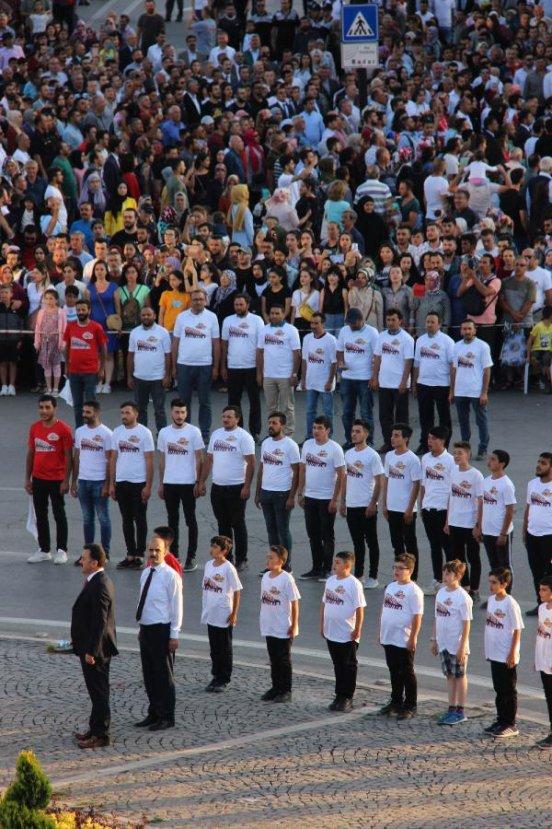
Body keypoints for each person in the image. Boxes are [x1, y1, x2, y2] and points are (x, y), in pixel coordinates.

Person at [71, 543, 118, 750]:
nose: (81, 561)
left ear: (95, 562)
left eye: (84, 558)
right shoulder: (96, 581)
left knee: (99, 692)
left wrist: (91, 650)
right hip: (89, 647)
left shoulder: (99, 585)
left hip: (96, 650)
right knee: (95, 690)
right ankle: (94, 728)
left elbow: (100, 622)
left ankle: (101, 734)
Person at [198, 405, 255, 571]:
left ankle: (242, 558)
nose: (225, 419)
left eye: (229, 417)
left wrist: (246, 486)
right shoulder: (216, 434)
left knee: (237, 523)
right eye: (224, 416)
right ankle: (226, 556)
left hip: (236, 487)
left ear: (237, 419)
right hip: (218, 487)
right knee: (222, 524)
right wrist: (201, 481)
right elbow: (209, 460)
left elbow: (251, 463)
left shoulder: (244, 437)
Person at [135, 534, 183, 731]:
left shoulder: (171, 576)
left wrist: (174, 634)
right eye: (151, 550)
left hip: (162, 629)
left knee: (163, 675)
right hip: (147, 628)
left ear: (165, 552)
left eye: (158, 550)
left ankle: (166, 716)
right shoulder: (146, 573)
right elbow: (143, 601)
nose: (153, 554)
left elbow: (177, 606)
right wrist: (141, 627)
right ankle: (153, 712)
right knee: (149, 674)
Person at [157, 399, 204, 571]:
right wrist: (161, 483)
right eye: (177, 412)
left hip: (188, 483)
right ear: (171, 413)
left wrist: (198, 482)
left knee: (190, 520)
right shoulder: (164, 433)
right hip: (170, 483)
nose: (180, 415)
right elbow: (161, 460)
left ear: (187, 413)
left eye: (183, 412)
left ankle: (191, 557)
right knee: (172, 521)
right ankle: (173, 555)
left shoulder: (194, 432)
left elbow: (200, 458)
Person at [25, 394, 73, 565]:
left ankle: (61, 550)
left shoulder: (64, 430)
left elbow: (69, 457)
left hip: (57, 479)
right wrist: (27, 479)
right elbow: (31, 454)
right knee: (40, 515)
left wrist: (66, 480)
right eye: (41, 408)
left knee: (59, 514)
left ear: (55, 409)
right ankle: (44, 550)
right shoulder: (34, 428)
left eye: (47, 408)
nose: (43, 411)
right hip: (38, 479)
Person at [297, 415, 345, 581]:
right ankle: (316, 568)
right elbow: (302, 469)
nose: (316, 431)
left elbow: (341, 475)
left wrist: (335, 499)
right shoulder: (308, 445)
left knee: (327, 535)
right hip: (310, 497)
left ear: (328, 430)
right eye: (314, 428)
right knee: (313, 534)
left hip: (326, 498)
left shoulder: (335, 448)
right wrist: (300, 491)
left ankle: (327, 569)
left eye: (320, 428)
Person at [109, 401, 155, 570]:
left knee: (140, 519)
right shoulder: (117, 432)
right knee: (126, 519)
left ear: (136, 414)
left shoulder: (144, 433)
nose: (124, 416)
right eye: (122, 413)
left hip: (139, 482)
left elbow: (150, 460)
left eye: (127, 413)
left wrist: (148, 486)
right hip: (122, 482)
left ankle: (139, 554)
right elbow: (113, 458)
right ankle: (129, 553)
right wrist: (112, 484)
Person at [172, 288, 220, 445]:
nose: (198, 301)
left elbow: (216, 343)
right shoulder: (181, 317)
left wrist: (215, 367)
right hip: (184, 365)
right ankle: (186, 432)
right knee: (183, 402)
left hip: (204, 365)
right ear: (190, 300)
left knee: (204, 401)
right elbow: (176, 342)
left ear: (205, 300)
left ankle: (204, 434)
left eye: (201, 299)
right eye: (195, 299)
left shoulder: (212, 317)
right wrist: (174, 366)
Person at [379, 554, 424, 720]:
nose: (396, 571)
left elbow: (417, 616)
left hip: (403, 637)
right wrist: (381, 631)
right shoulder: (390, 587)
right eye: (395, 567)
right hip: (388, 635)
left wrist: (413, 637)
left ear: (410, 571)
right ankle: (396, 701)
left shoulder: (414, 591)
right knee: (393, 670)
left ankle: (411, 704)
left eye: (400, 568)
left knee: (406, 671)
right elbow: (385, 610)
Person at [320, 550, 366, 714]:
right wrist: (322, 624)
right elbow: (325, 604)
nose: (334, 565)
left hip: (347, 632)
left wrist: (357, 628)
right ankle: (338, 695)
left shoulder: (354, 584)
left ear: (347, 565)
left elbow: (359, 608)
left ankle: (347, 697)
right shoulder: (331, 581)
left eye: (338, 562)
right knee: (337, 664)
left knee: (348, 665)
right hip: (332, 631)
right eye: (334, 562)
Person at [340, 419, 383, 589]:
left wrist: (373, 503)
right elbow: (345, 479)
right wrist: (343, 501)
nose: (354, 434)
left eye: (358, 431)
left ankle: (373, 576)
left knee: (371, 541)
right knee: (357, 542)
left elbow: (379, 482)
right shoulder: (348, 454)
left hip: (367, 505)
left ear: (366, 434)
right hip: (352, 504)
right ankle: (359, 574)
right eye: (353, 431)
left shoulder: (372, 455)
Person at [255, 412, 300, 572]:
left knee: (283, 529)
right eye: (269, 422)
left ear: (282, 425)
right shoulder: (266, 443)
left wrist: (292, 496)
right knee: (271, 530)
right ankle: (274, 563)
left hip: (282, 494)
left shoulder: (290, 445)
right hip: (266, 492)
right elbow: (262, 468)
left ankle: (287, 565)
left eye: (274, 423)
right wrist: (257, 492)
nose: (270, 426)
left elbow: (297, 471)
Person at [431, 559, 472, 727]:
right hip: (444, 642)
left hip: (457, 644)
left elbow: (466, 623)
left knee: (460, 675)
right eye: (444, 573)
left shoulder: (463, 597)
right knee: (449, 675)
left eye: (448, 573)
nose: (445, 576)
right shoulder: (441, 593)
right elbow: (437, 617)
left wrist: (462, 646)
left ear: (458, 576)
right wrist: (434, 639)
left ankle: (460, 710)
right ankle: (451, 707)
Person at [483, 568, 524, 739]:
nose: (491, 585)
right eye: (490, 581)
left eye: (494, 582)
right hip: (494, 652)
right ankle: (500, 720)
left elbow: (517, 630)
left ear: (504, 584)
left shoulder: (510, 603)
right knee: (499, 689)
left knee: (508, 689)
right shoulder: (492, 600)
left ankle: (510, 723)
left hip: (506, 653)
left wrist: (513, 652)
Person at [71, 400, 113, 566]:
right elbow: (77, 457)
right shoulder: (80, 431)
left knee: (103, 518)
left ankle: (105, 553)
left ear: (96, 413)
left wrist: (108, 484)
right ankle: (87, 554)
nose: (84, 415)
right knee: (87, 519)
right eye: (83, 411)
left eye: (88, 412)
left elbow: (110, 460)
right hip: (83, 480)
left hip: (99, 481)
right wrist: (74, 481)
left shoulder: (106, 434)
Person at [201, 535, 243, 692]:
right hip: (211, 612)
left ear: (224, 551)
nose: (212, 549)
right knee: (214, 647)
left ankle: (224, 677)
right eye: (211, 546)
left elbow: (237, 590)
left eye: (216, 547)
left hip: (223, 612)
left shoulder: (228, 568)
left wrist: (234, 613)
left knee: (224, 647)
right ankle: (215, 675)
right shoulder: (208, 565)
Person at [259, 544, 300, 703]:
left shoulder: (286, 578)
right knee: (273, 658)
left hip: (283, 625)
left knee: (283, 659)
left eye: (271, 558)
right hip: (269, 624)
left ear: (281, 561)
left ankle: (285, 689)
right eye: (267, 557)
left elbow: (295, 603)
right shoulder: (265, 577)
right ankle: (275, 687)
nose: (268, 560)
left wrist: (294, 624)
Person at [221, 293, 264, 441]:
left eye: (241, 304)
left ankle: (255, 431)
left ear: (247, 305)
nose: (238, 307)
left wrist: (260, 371)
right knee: (233, 402)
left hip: (251, 367)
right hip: (233, 367)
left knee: (255, 401)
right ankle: (237, 430)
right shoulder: (228, 321)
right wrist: (223, 367)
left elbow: (261, 347)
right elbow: (224, 345)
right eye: (236, 305)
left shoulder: (257, 320)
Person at [382, 424, 421, 581]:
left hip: (406, 508)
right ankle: (399, 574)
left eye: (397, 435)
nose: (393, 438)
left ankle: (413, 577)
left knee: (410, 544)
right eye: (392, 435)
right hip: (392, 507)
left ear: (406, 439)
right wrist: (384, 504)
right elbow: (387, 480)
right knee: (396, 544)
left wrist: (410, 508)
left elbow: (416, 484)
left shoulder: (412, 459)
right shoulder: (389, 456)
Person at [445, 442, 484, 600]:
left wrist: (478, 525)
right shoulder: (453, 471)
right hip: (455, 522)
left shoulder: (476, 475)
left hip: (469, 523)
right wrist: (447, 521)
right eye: (454, 453)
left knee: (473, 557)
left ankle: (474, 589)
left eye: (460, 453)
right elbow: (450, 497)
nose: (456, 456)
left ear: (467, 454)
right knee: (458, 558)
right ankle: (465, 586)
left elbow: (481, 502)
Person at [373, 309, 414, 454]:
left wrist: (404, 382)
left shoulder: (407, 338)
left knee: (401, 417)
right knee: (384, 416)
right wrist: (374, 377)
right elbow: (377, 358)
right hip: (384, 382)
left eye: (393, 320)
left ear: (400, 320)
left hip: (399, 384)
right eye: (388, 320)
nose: (390, 323)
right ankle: (388, 443)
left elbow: (408, 361)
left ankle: (403, 445)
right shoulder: (381, 336)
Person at [336, 307, 378, 448]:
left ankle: (369, 441)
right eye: (349, 323)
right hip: (347, 378)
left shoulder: (372, 333)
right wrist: (341, 363)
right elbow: (340, 350)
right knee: (347, 413)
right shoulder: (344, 331)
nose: (351, 326)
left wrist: (374, 377)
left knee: (366, 413)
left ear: (361, 320)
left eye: (353, 324)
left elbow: (377, 356)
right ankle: (350, 440)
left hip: (365, 378)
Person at [450, 320, 493, 461]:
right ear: (461, 331)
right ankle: (465, 449)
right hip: (460, 391)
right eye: (464, 329)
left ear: (474, 330)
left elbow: (487, 370)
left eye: (469, 329)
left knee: (481, 421)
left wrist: (484, 392)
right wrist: (452, 391)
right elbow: (454, 369)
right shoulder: (456, 347)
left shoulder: (482, 346)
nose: (467, 331)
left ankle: (483, 449)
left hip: (476, 391)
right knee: (463, 421)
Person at [413, 312, 454, 455]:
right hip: (423, 384)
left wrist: (452, 389)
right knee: (425, 418)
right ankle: (425, 444)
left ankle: (444, 445)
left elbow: (452, 366)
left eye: (432, 322)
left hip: (442, 384)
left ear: (439, 324)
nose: (429, 324)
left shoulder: (447, 341)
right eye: (428, 322)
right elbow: (416, 364)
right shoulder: (420, 340)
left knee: (444, 418)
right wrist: (414, 383)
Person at [420, 426, 455, 596]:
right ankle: (437, 579)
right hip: (428, 508)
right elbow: (423, 484)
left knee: (447, 547)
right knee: (434, 546)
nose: (429, 442)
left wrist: (449, 517)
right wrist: (421, 505)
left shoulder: (450, 461)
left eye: (433, 439)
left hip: (443, 509)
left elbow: (452, 489)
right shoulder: (425, 458)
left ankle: (450, 581)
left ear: (442, 441)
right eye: (428, 438)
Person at [257, 304, 301, 437]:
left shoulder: (291, 330)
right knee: (271, 407)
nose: (274, 316)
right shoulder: (264, 330)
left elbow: (297, 354)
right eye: (272, 313)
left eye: (277, 313)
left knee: (288, 407)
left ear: (283, 314)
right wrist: (260, 373)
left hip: (285, 375)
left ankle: (288, 434)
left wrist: (294, 374)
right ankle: (273, 433)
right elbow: (260, 352)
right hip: (269, 375)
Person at [63, 299, 107, 429]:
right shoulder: (70, 326)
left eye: (83, 309)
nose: (80, 312)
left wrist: (102, 369)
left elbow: (103, 349)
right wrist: (67, 366)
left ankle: (94, 430)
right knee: (77, 405)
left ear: (89, 310)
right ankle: (80, 431)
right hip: (74, 371)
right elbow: (66, 348)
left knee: (91, 404)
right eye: (78, 310)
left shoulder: (96, 327)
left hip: (91, 372)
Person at [128, 306, 172, 434]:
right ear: (140, 317)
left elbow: (168, 355)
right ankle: (142, 435)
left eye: (148, 315)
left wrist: (167, 375)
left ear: (154, 316)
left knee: (159, 409)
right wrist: (130, 376)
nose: (146, 317)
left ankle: (162, 435)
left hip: (158, 378)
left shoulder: (163, 332)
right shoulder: (135, 332)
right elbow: (130, 355)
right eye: (143, 315)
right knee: (140, 409)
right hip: (139, 377)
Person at [481, 450, 517, 598]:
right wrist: (479, 526)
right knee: (494, 565)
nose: (489, 461)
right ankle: (496, 594)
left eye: (493, 459)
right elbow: (483, 504)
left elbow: (510, 511)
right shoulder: (486, 480)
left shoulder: (507, 484)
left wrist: (503, 533)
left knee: (505, 567)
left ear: (502, 464)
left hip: (501, 533)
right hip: (487, 531)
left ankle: (506, 596)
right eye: (490, 458)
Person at [524, 452, 552, 616]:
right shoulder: (532, 484)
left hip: (549, 537)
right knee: (536, 572)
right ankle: (540, 604)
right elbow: (528, 507)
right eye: (538, 462)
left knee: (550, 572)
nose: (539, 465)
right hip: (532, 535)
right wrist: (525, 530)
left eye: (543, 463)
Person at [301, 313, 337, 440]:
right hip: (311, 382)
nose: (313, 326)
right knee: (310, 411)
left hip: (325, 383)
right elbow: (304, 360)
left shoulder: (331, 340)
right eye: (312, 323)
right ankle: (310, 436)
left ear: (323, 324)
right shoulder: (307, 338)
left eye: (316, 323)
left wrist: (330, 381)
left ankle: (329, 437)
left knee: (328, 412)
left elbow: (334, 362)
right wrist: (303, 379)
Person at [535, 575, 552, 749]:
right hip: (543, 659)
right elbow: (540, 634)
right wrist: (537, 658)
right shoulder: (542, 609)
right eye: (540, 589)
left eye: (544, 589)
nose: (540, 592)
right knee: (548, 697)